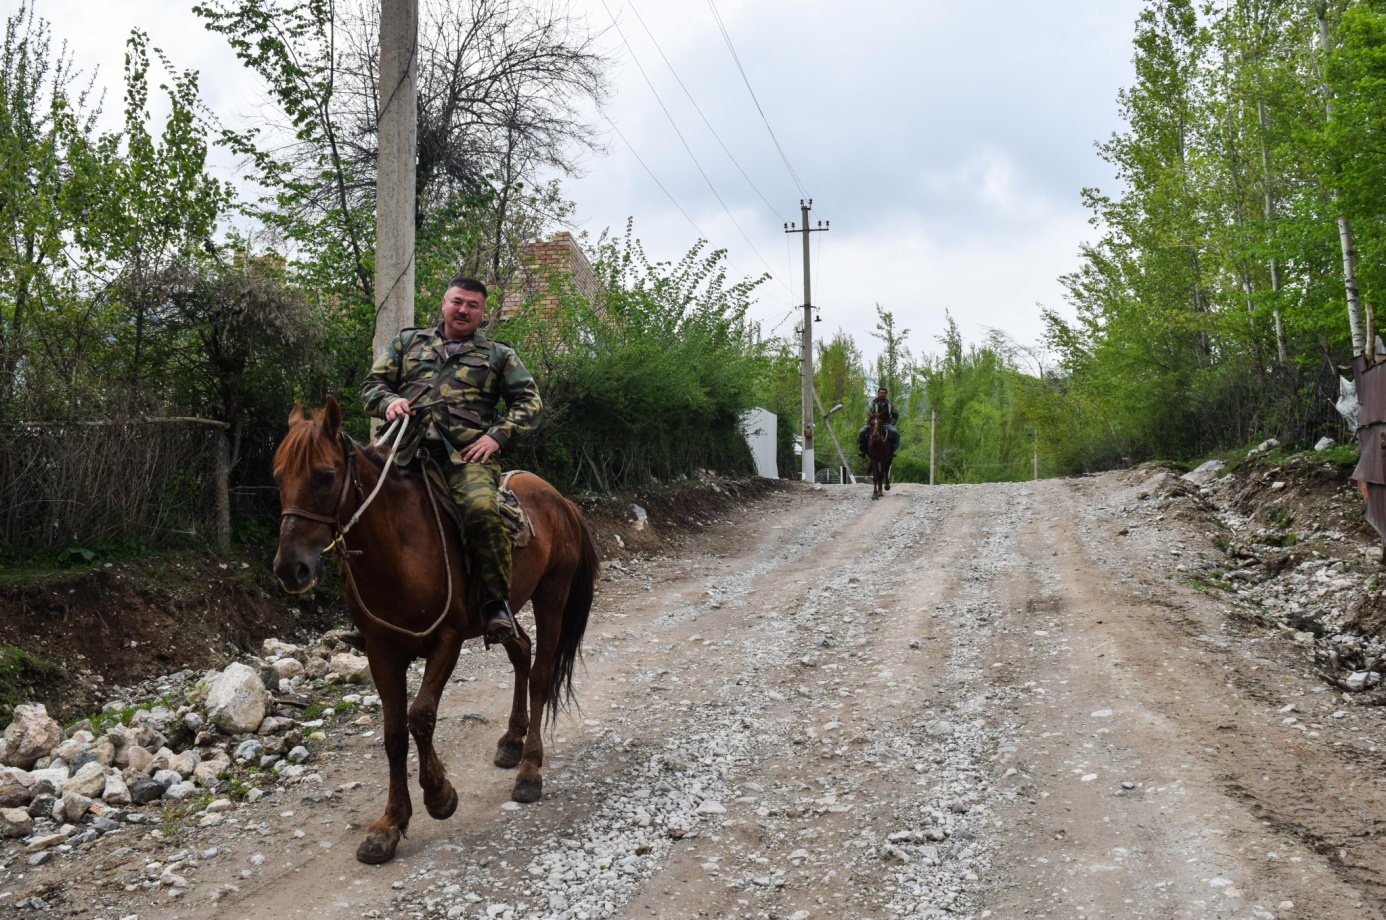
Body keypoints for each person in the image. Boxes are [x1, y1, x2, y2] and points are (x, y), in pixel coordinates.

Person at [358, 275, 542, 647]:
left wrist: (496, 436)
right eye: (457, 301)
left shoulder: (498, 355)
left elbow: (530, 402)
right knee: (355, 508)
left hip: (465, 458)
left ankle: (495, 604)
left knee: (481, 510)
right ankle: (364, 613)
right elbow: (370, 385)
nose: (463, 310)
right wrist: (388, 401)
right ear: (443, 304)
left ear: (482, 313)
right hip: (403, 451)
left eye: (473, 305)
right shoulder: (408, 342)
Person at [857, 386, 900, 458]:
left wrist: (892, 423)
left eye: (884, 393)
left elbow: (895, 414)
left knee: (895, 433)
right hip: (874, 423)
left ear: (886, 394)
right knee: (862, 432)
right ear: (878, 393)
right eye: (881, 393)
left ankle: (892, 450)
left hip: (886, 423)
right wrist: (871, 419)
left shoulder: (890, 403)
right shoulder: (873, 402)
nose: (882, 394)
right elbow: (870, 413)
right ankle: (862, 450)